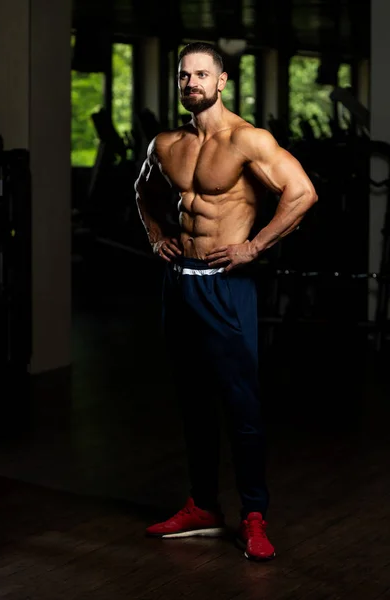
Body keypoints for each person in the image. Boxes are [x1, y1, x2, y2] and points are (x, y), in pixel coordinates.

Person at [134, 41, 318, 561]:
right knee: (192, 399)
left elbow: (301, 192)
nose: (190, 83)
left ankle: (253, 515)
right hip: (180, 282)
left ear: (221, 81)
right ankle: (202, 505)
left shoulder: (247, 140)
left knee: (241, 403)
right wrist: (154, 237)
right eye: (183, 75)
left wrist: (255, 246)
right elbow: (142, 191)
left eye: (201, 75)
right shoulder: (165, 144)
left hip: (225, 285)